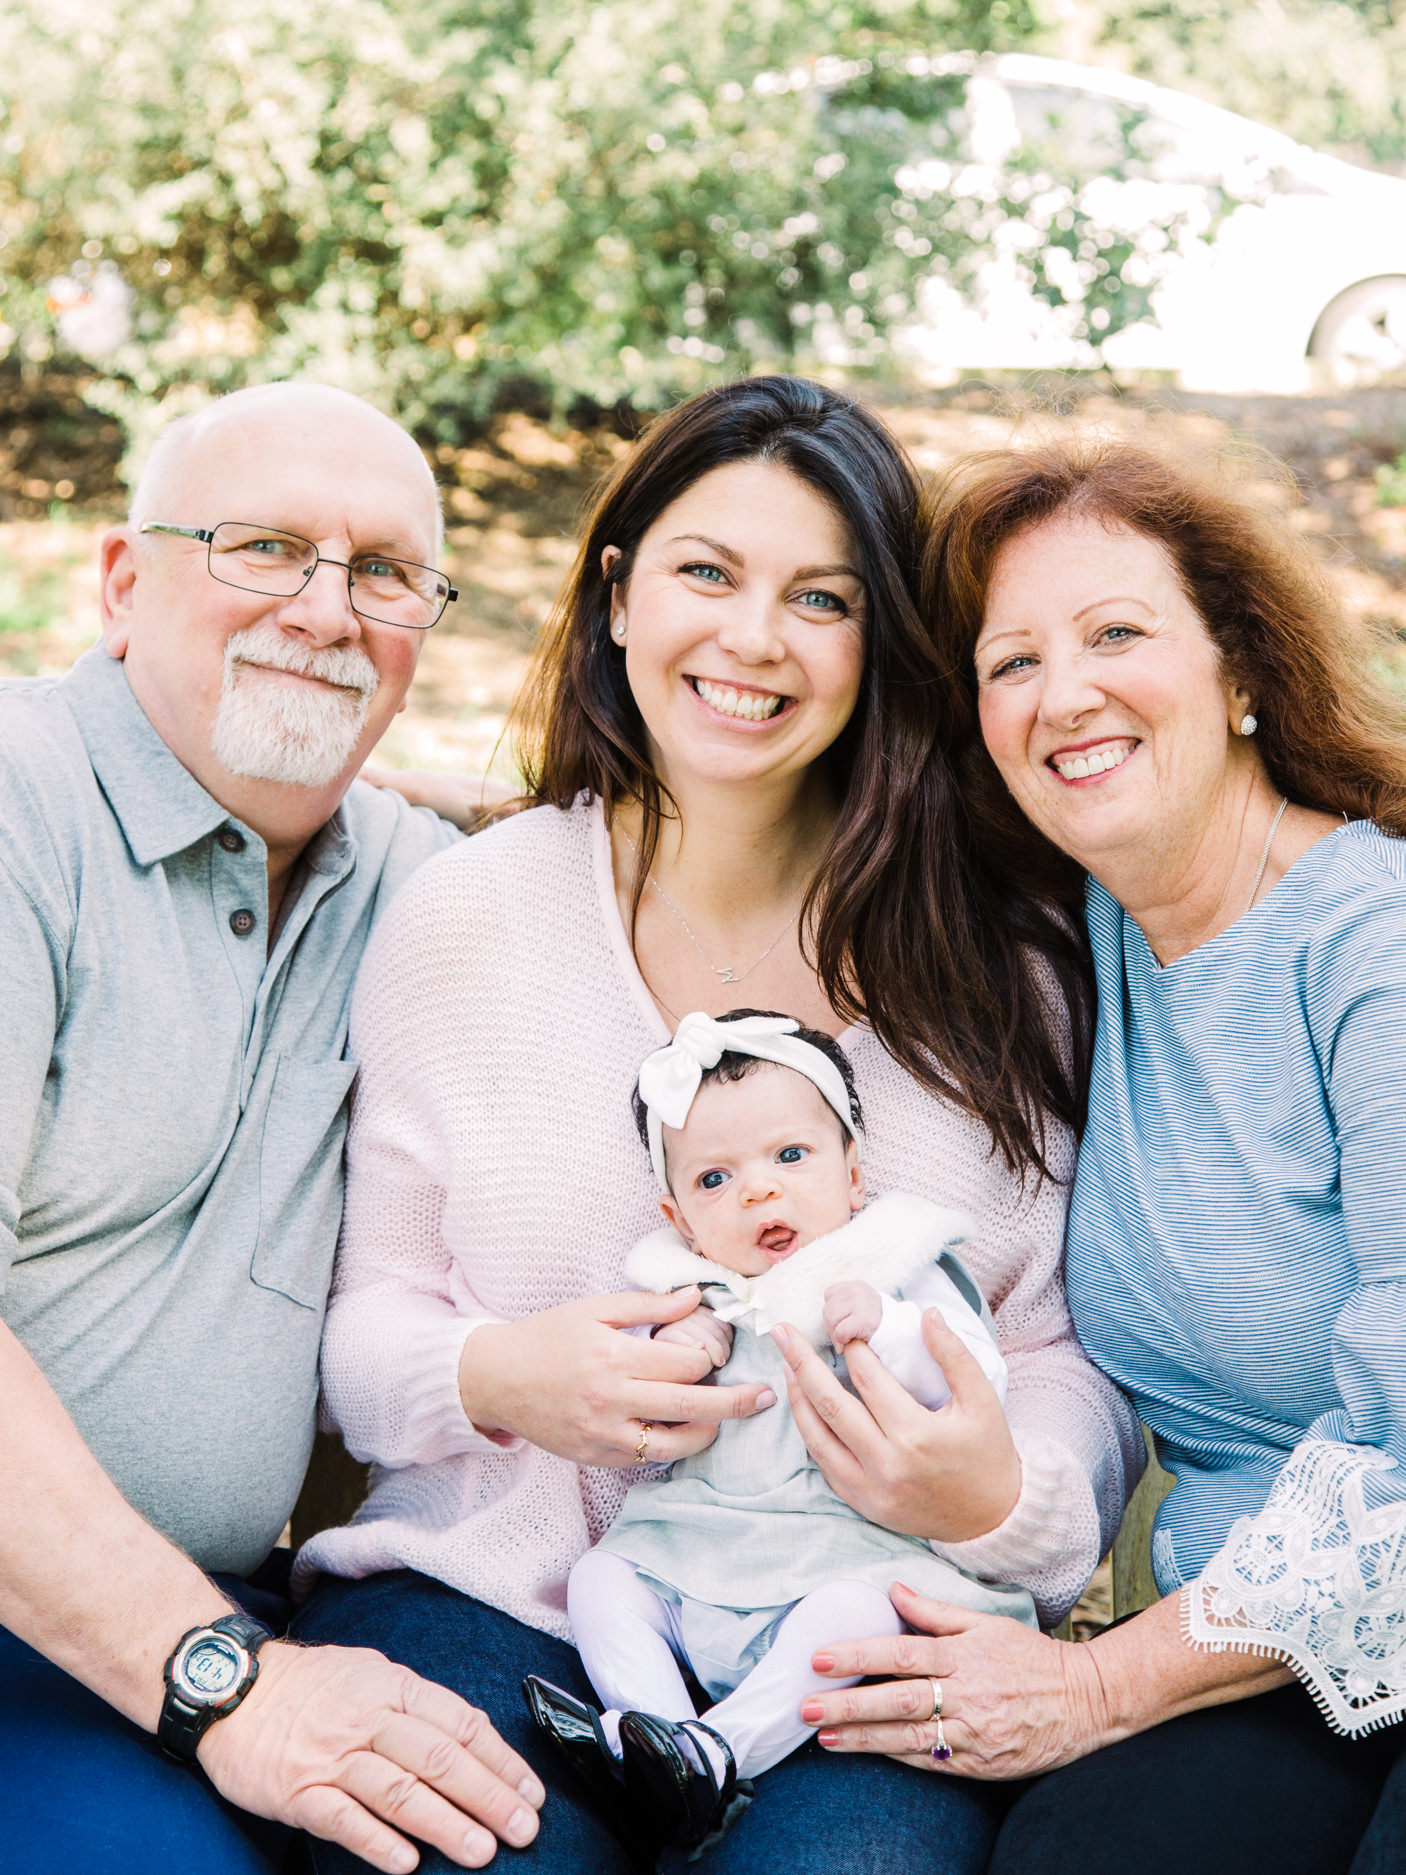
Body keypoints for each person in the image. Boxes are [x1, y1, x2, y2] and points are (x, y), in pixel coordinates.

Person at [291, 376, 1143, 1875]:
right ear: (617, 596)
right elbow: (368, 1324)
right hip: (498, 1595)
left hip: (863, 1621)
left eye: (820, 596)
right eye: (704, 571)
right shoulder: (466, 919)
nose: (751, 638)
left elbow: (1060, 1347)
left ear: (879, 646)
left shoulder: (1005, 961)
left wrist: (1003, 1494)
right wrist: (501, 1371)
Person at [792, 435, 1406, 1874]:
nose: (1063, 693)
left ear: (1240, 670)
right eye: (1010, 662)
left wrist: (1088, 1684)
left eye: (1115, 633)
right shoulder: (1082, 935)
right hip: (1262, 1642)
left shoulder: (1368, 948)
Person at [0, 382, 547, 1875]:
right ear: (122, 583)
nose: (324, 609)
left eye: (382, 573)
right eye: (265, 548)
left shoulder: (418, 891)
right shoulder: (18, 803)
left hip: (220, 1609)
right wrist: (222, 1678)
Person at [527, 1008, 1035, 1853]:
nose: (758, 1189)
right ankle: (655, 1732)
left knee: (849, 1615)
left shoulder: (894, 1270)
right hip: (698, 1556)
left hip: (842, 1556)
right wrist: (670, 1355)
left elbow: (977, 1377)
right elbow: (631, 1409)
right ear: (679, 1216)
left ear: (854, 1177)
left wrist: (888, 1329)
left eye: (790, 1156)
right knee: (600, 1579)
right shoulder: (696, 1293)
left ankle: (716, 1753)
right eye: (715, 1179)